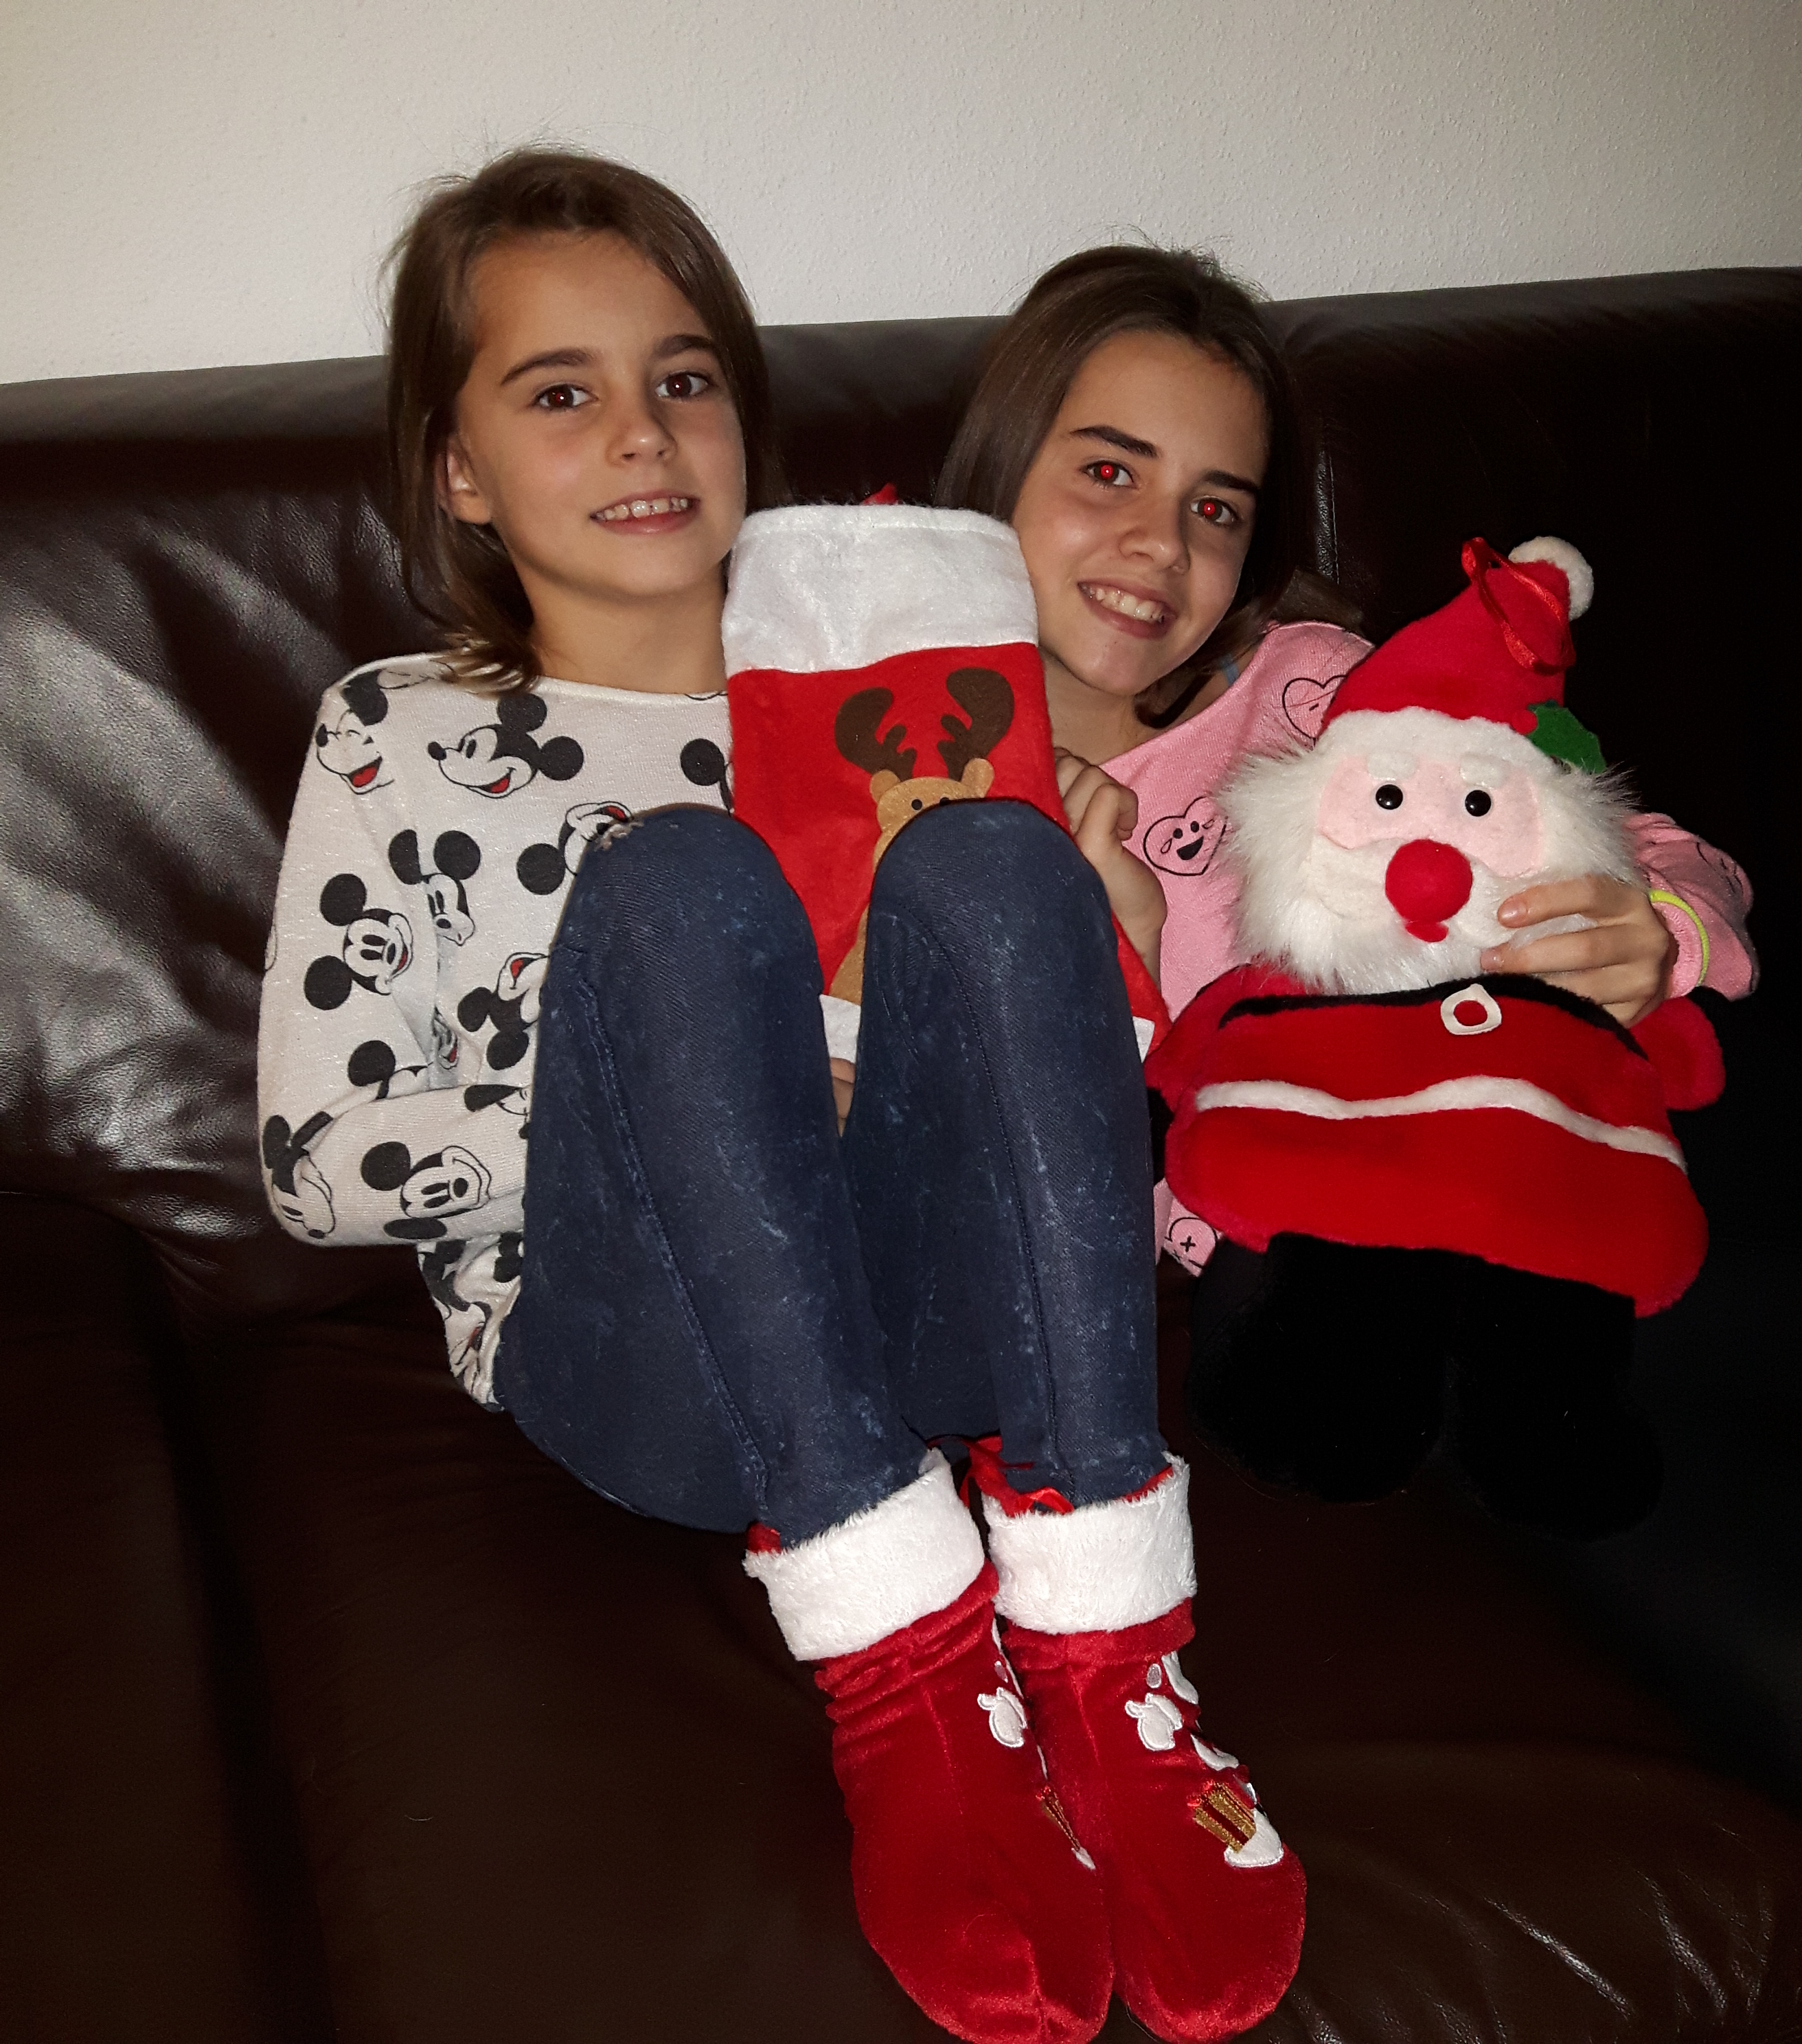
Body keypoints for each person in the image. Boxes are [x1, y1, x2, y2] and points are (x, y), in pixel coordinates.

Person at [256, 150, 1307, 2044]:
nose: (643, 431)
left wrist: (1106, 937)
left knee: (993, 859)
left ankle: (1106, 1655)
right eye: (560, 391)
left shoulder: (898, 696)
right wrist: (700, 1091)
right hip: (650, 1357)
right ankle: (906, 1663)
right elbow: (317, 1162)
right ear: (458, 470)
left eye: (686, 377)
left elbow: (1057, 1117)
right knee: (681, 888)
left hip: (929, 1324)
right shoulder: (398, 730)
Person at [939, 244, 1802, 1819]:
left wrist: (1654, 931)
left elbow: (1664, 847)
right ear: (995, 477)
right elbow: (1071, 1229)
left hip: (1635, 1121)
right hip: (1417, 1302)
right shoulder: (910, 798)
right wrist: (1106, 965)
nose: (1160, 545)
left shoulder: (1322, 692)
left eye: (1217, 506)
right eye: (1108, 471)